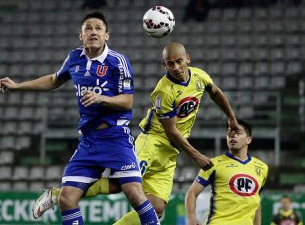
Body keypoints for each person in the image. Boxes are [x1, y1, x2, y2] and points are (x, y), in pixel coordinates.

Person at [33, 42, 240, 224]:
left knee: (157, 208)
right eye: (170, 63)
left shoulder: (199, 76)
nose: (176, 67)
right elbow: (171, 130)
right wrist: (196, 155)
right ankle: (57, 195)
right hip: (152, 143)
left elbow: (215, 92)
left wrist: (231, 117)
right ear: (164, 65)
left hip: (170, 153)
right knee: (119, 185)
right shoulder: (164, 90)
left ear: (188, 59)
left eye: (179, 61)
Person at [0, 11, 160, 225]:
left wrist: (101, 98)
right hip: (88, 141)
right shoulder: (74, 58)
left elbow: (128, 101)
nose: (93, 32)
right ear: (81, 36)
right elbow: (54, 80)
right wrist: (18, 86)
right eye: (88, 28)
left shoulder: (117, 61)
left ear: (106, 35)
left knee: (135, 194)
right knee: (66, 199)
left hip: (115, 137)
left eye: (98, 28)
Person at [185, 120, 269, 225]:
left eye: (238, 133)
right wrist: (191, 218)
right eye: (230, 133)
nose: (233, 136)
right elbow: (192, 193)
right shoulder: (213, 164)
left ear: (249, 139)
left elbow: (256, 200)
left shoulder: (262, 168)